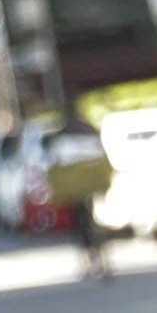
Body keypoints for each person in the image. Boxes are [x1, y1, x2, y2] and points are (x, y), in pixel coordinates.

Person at [39, 116, 112, 277]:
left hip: (77, 189)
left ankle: (91, 259)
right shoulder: (87, 134)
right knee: (88, 222)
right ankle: (95, 258)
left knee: (82, 224)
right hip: (86, 187)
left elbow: (53, 163)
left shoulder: (64, 138)